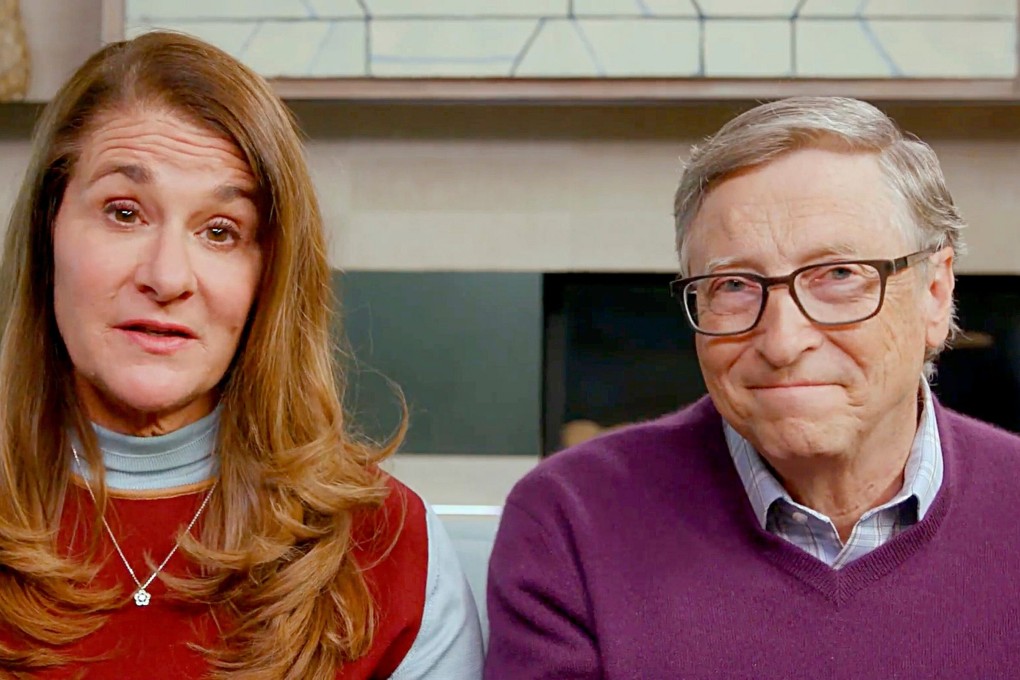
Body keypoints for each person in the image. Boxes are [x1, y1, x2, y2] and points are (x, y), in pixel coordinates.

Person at [0, 31, 483, 679]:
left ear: (269, 277)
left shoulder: (390, 549)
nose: (167, 276)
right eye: (123, 212)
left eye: (220, 231)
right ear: (47, 230)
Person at [485, 96, 1020, 679]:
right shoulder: (570, 518)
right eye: (735, 284)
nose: (783, 342)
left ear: (935, 294)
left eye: (839, 274)